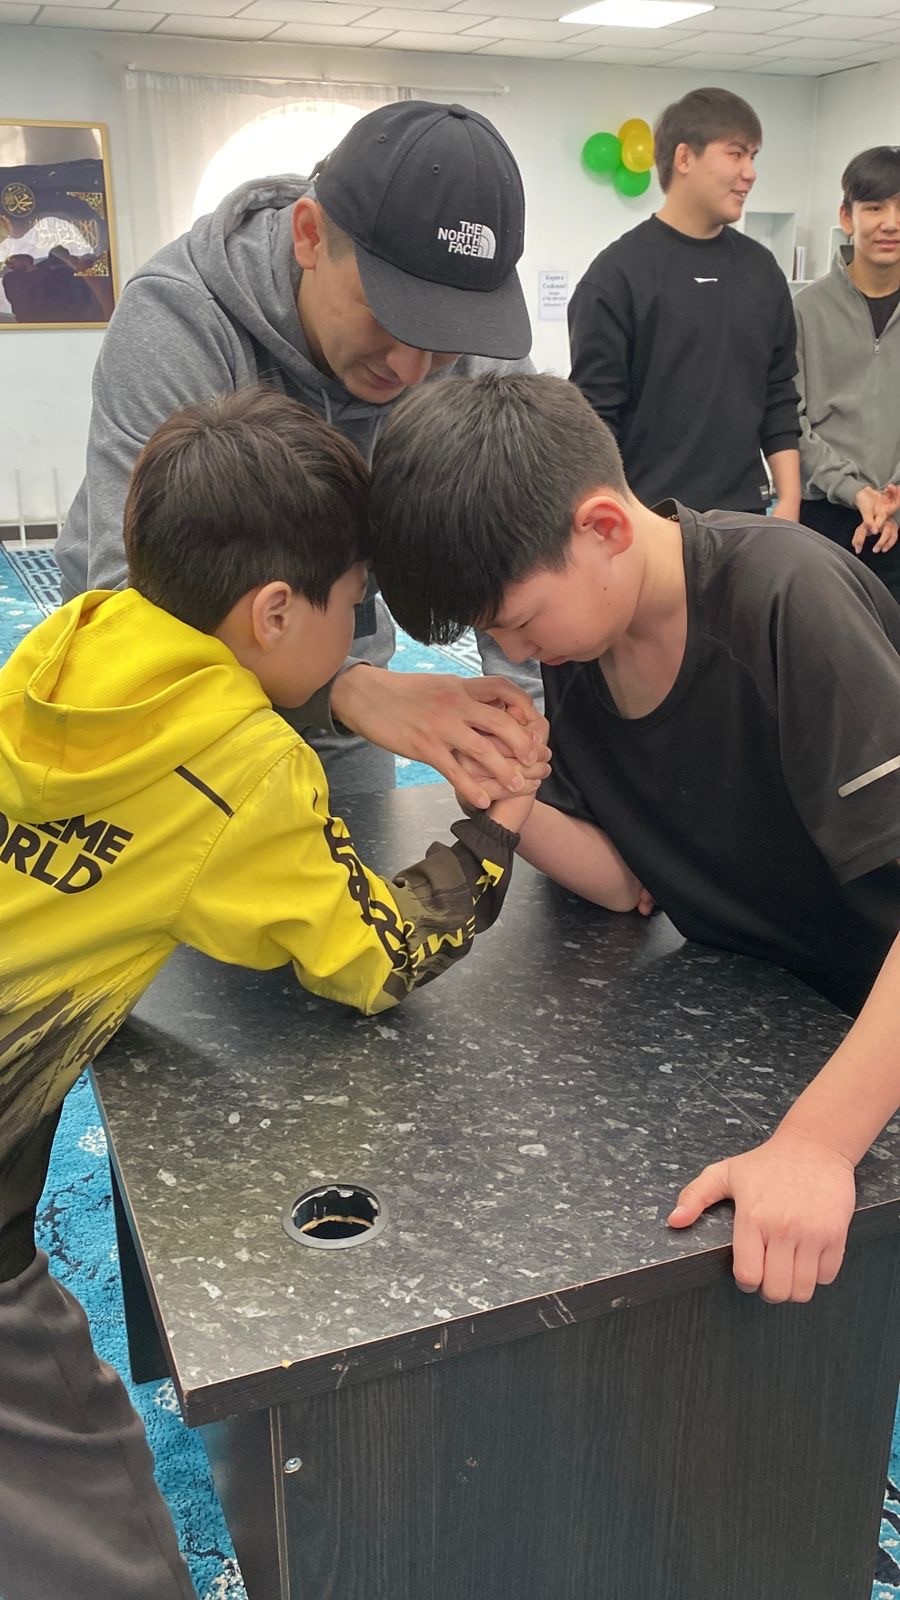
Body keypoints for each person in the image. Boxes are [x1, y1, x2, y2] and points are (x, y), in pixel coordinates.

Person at [0, 388, 546, 1600]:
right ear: (277, 612)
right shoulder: (249, 767)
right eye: (356, 606)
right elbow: (371, 956)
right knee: (111, 1546)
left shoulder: (72, 638)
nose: (363, 639)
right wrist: (495, 829)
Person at [367, 370, 900, 1309]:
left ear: (605, 527)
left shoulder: (787, 598)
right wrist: (508, 797)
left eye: (518, 623)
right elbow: (629, 881)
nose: (517, 653)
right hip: (781, 1017)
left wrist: (819, 1143)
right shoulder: (584, 648)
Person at [55, 98, 542, 799]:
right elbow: (131, 599)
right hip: (164, 681)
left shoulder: (472, 346)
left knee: (350, 851)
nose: (412, 369)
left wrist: (525, 744)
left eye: (445, 336)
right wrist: (347, 687)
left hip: (339, 657)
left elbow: (524, 543)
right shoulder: (178, 318)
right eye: (390, 316)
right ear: (309, 237)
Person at [568, 87, 801, 519]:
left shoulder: (762, 271)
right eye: (735, 154)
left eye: (753, 156)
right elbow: (594, 419)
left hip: (747, 518)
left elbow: (779, 394)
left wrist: (789, 501)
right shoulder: (617, 275)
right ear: (684, 158)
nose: (750, 173)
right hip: (649, 517)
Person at [795, 145, 900, 604]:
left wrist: (893, 501)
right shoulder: (804, 310)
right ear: (847, 217)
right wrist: (855, 492)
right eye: (874, 207)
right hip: (824, 518)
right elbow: (788, 421)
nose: (891, 223)